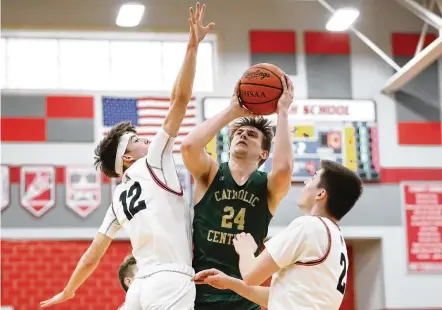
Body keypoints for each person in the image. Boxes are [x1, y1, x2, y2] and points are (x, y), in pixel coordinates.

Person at [39, 3, 215, 309]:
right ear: (128, 159)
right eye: (135, 139)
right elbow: (180, 99)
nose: (146, 138)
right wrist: (192, 46)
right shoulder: (154, 161)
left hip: (139, 286)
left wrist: (69, 291)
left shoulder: (119, 198)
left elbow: (92, 255)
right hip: (171, 280)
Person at [180, 76, 295, 309]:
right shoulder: (211, 173)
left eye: (252, 135)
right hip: (201, 294)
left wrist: (282, 112)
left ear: (263, 154)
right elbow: (189, 146)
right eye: (239, 133)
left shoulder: (267, 186)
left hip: (245, 296)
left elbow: (283, 168)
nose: (243, 135)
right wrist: (232, 111)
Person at [192, 160, 363, 310]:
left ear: (321, 194)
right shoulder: (335, 239)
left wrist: (245, 250)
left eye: (312, 178)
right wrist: (230, 282)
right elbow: (277, 297)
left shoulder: (310, 226)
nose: (305, 181)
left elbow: (251, 275)